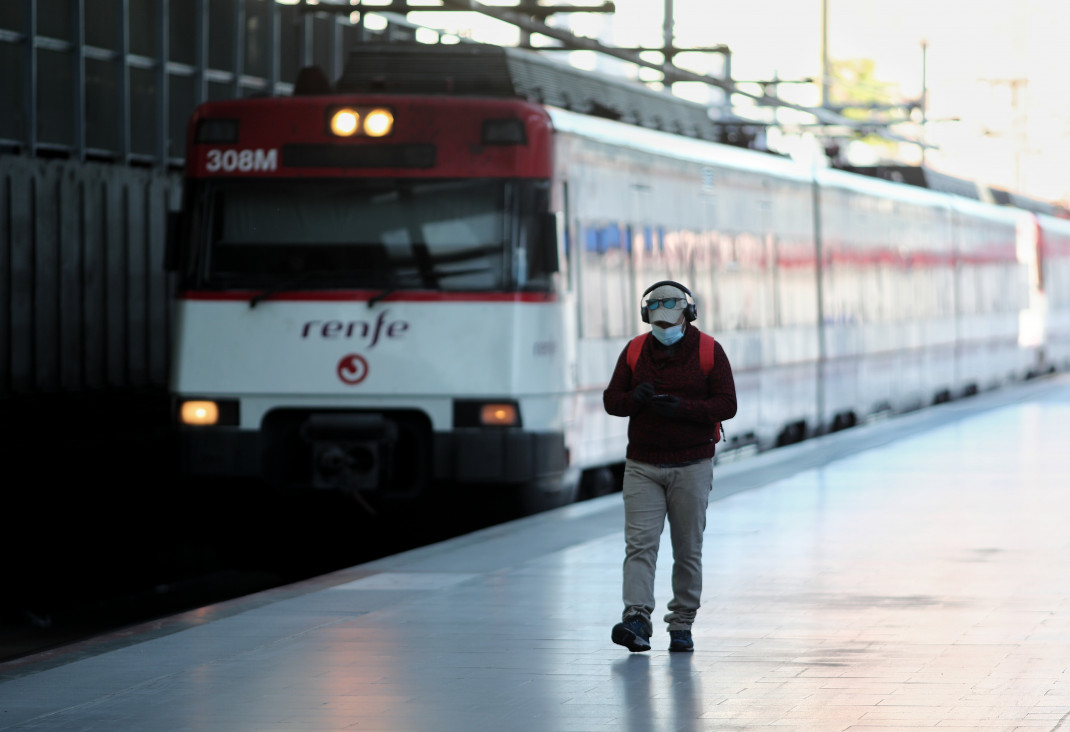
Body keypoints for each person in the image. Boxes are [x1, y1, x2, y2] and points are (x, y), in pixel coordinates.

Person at [602, 280, 737, 653]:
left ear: (687, 315)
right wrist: (634, 399)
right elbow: (612, 400)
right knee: (640, 546)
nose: (663, 330)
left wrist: (683, 409)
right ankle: (636, 618)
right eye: (656, 323)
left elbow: (727, 404)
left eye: (669, 321)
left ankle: (681, 624)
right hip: (642, 464)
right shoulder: (634, 350)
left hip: (692, 464)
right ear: (647, 317)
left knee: (687, 548)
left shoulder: (709, 351)